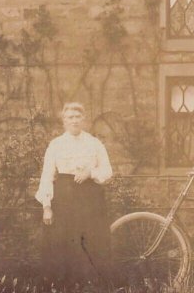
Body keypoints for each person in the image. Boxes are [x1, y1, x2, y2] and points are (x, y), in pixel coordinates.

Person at [35, 102, 113, 288]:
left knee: (93, 241)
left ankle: (93, 287)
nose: (74, 120)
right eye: (70, 117)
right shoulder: (56, 145)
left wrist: (90, 173)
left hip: (90, 199)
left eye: (78, 117)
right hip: (64, 199)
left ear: (84, 119)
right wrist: (47, 206)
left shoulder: (95, 144)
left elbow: (108, 172)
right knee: (63, 242)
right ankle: (65, 287)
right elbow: (47, 175)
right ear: (64, 121)